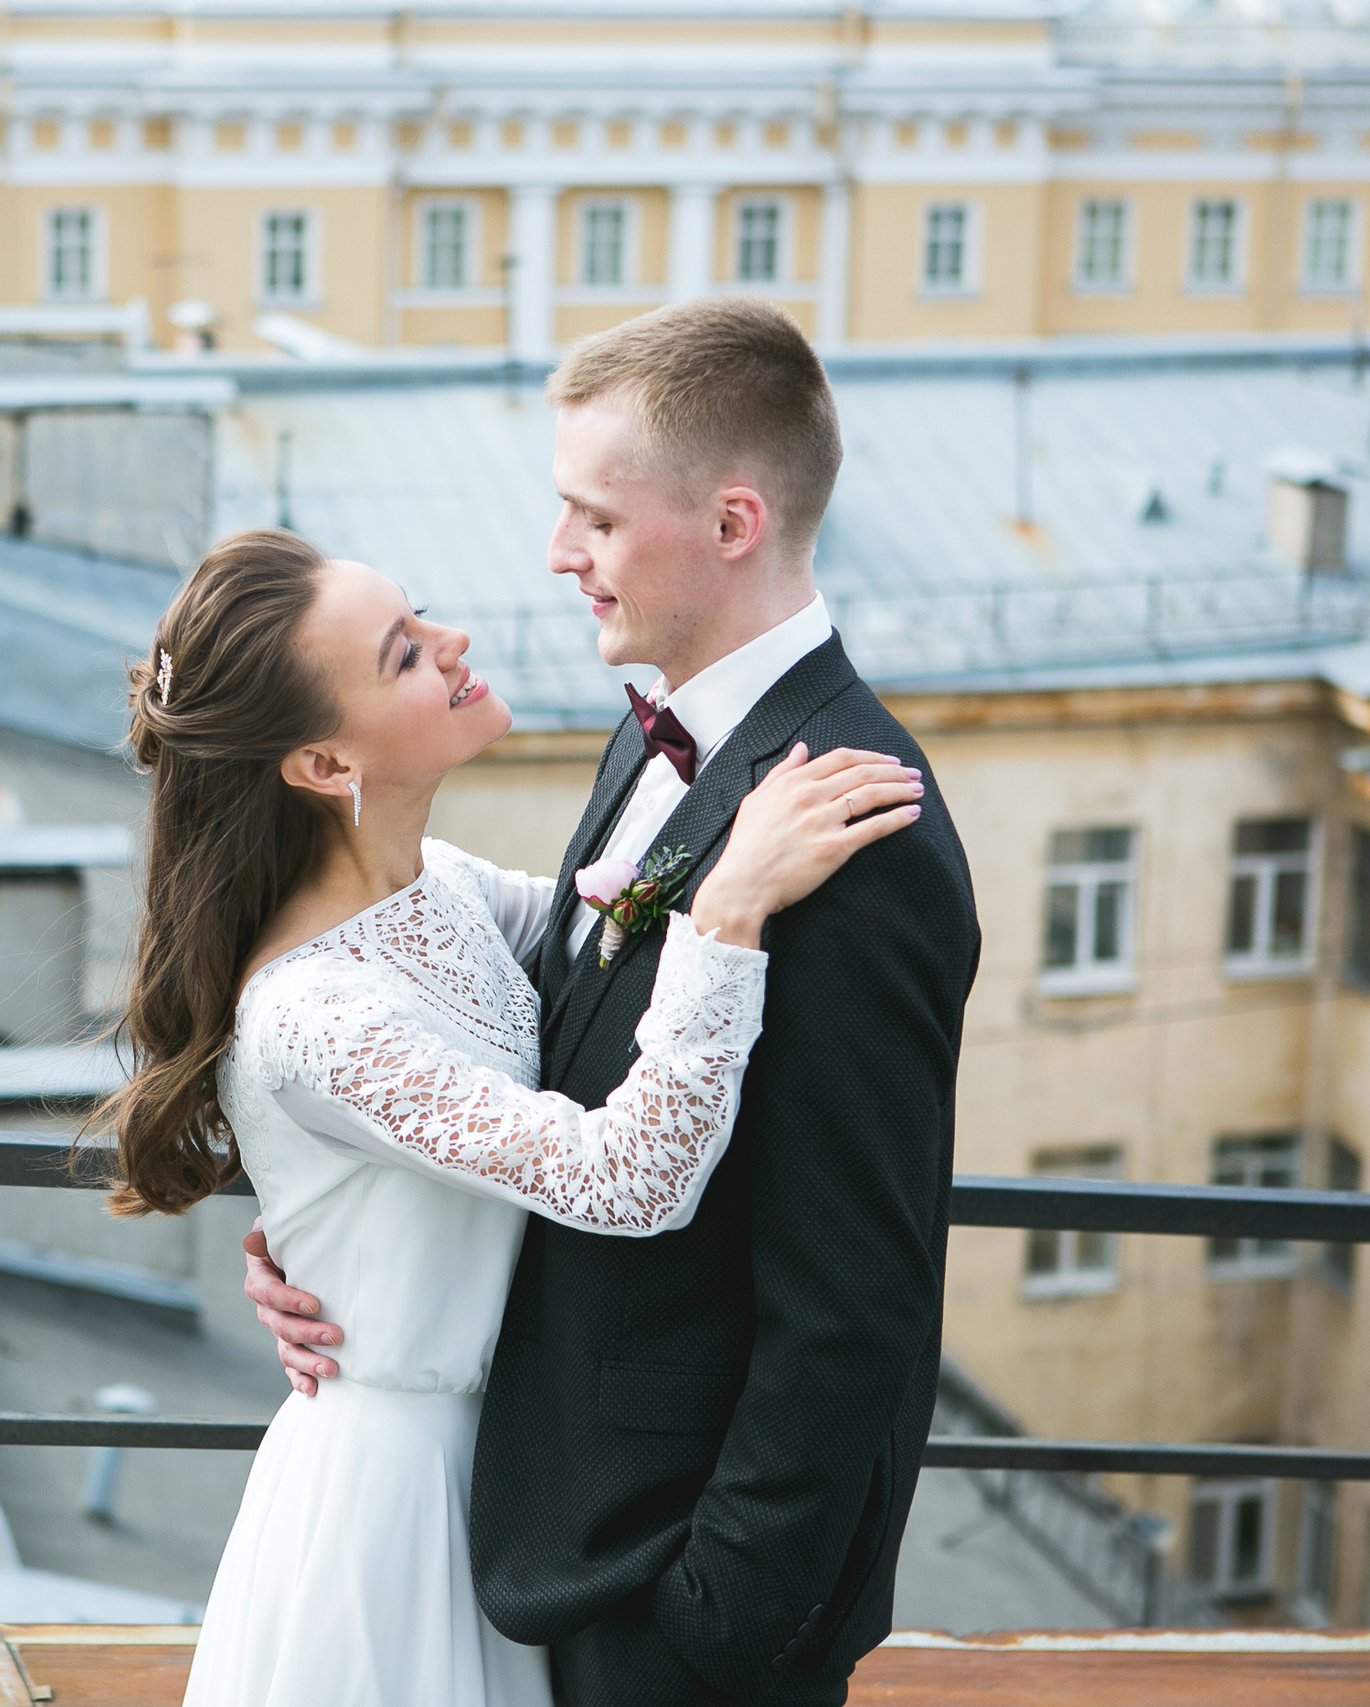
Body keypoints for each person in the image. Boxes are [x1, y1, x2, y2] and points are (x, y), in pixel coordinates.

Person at [245, 296, 981, 1705]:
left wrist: (718, 1614)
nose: (557, 552)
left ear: (732, 522)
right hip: (547, 1535)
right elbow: (514, 1025)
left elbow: (858, 1294)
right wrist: (335, 1228)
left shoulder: (856, 829)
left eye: (594, 517)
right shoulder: (656, 735)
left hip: (679, 1596)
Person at [108, 520, 926, 1707]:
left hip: (515, 1464)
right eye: (402, 653)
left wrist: (336, 1235)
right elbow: (626, 1178)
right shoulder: (314, 1017)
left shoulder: (441, 884)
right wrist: (728, 913)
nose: (452, 641)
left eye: (419, 613)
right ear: (324, 765)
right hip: (397, 1502)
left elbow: (602, 969)